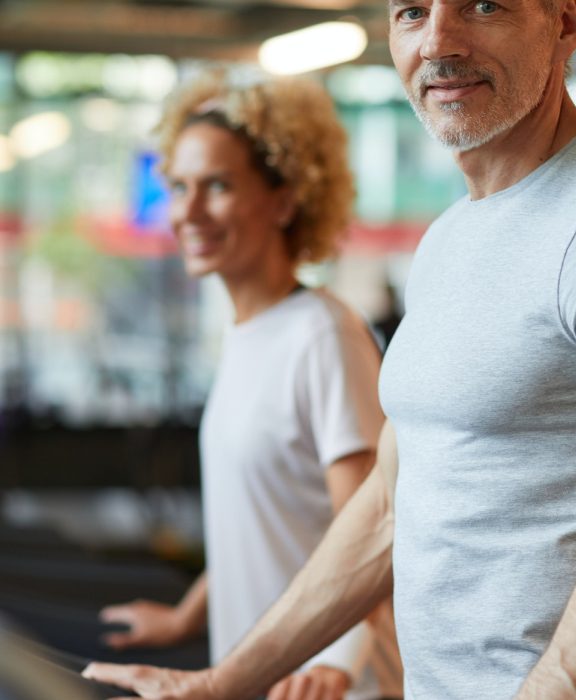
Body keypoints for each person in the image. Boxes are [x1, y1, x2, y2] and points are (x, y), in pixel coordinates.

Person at [84, 1, 576, 698]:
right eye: (412, 12)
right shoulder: (448, 237)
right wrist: (224, 683)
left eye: (482, 5)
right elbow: (388, 510)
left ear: (566, 22)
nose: (437, 43)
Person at [91, 72, 402, 700]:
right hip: (253, 674)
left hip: (331, 684)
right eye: (180, 187)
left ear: (285, 202)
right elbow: (262, 523)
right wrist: (186, 617)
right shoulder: (246, 334)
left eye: (218, 186)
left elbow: (373, 530)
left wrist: (338, 662)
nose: (188, 212)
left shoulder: (323, 335)